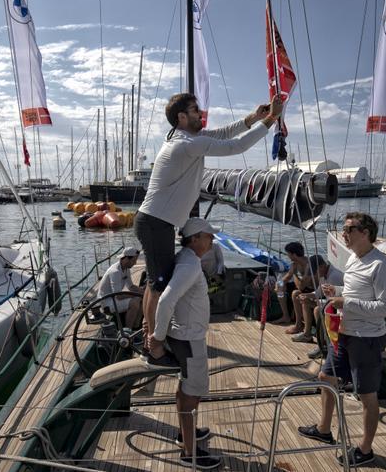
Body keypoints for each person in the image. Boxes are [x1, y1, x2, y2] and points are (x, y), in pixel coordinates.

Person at [137, 93, 284, 363]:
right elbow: (234, 147)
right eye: (195, 110)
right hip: (157, 222)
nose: (200, 113)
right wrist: (271, 120)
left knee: (154, 282)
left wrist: (254, 118)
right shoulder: (184, 145)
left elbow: (224, 133)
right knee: (157, 286)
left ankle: (150, 337)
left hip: (157, 221)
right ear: (182, 117)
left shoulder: (184, 140)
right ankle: (154, 348)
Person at [296, 212, 386, 467]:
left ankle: (365, 449)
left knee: (366, 395)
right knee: (325, 377)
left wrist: (345, 301)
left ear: (365, 233)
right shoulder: (353, 258)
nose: (344, 234)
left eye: (349, 229)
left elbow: (385, 307)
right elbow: (355, 293)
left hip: (367, 339)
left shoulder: (380, 265)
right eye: (344, 229)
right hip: (344, 334)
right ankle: (324, 429)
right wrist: (337, 292)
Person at [150, 217, 221, 469]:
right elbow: (166, 301)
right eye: (209, 235)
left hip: (185, 337)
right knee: (191, 395)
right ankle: (190, 453)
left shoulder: (186, 259)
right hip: (190, 340)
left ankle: (185, 434)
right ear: (196, 239)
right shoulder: (190, 266)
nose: (212, 239)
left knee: (186, 389)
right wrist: (157, 340)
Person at [293, 255, 344, 344]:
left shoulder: (334, 277)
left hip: (340, 307)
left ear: (322, 266)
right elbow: (319, 292)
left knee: (317, 310)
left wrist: (313, 301)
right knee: (304, 301)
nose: (315, 275)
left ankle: (323, 342)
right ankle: (307, 334)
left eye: (315, 272)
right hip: (331, 303)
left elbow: (331, 302)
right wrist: (307, 295)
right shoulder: (324, 274)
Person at [96, 247, 143, 329]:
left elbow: (131, 286)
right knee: (134, 303)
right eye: (134, 260)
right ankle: (128, 332)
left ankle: (136, 327)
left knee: (141, 299)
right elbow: (118, 296)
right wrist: (136, 294)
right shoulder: (115, 272)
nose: (135, 263)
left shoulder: (126, 268)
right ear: (127, 259)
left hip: (114, 299)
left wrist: (143, 292)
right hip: (107, 303)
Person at [274, 242, 309, 333]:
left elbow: (302, 286)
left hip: (309, 288)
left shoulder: (308, 264)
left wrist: (295, 274)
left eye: (288, 254)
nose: (288, 256)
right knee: (280, 288)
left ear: (294, 254)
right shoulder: (294, 264)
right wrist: (279, 284)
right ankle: (286, 316)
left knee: (295, 293)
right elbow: (287, 277)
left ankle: (298, 325)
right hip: (299, 286)